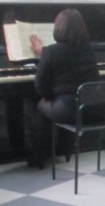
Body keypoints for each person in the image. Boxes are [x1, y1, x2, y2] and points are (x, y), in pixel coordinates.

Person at [28, 9, 99, 169]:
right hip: (90, 109)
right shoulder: (88, 50)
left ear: (58, 28)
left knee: (40, 105)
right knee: (65, 103)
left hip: (68, 110)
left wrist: (48, 96)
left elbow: (40, 86)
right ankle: (64, 149)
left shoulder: (52, 51)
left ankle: (38, 157)